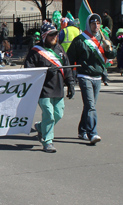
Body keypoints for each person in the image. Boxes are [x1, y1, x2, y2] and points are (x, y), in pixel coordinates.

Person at [24, 23, 75, 152]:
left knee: (58, 114)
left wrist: (70, 84)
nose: (54, 36)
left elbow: (67, 67)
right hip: (42, 89)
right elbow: (29, 70)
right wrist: (46, 71)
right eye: (51, 34)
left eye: (55, 34)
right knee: (49, 114)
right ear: (44, 36)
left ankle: (41, 127)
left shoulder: (60, 50)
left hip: (58, 87)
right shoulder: (36, 51)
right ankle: (47, 141)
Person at [67, 13, 116, 145]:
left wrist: (109, 48)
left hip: (97, 76)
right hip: (84, 76)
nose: (96, 26)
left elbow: (111, 55)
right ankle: (92, 133)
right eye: (93, 23)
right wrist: (69, 79)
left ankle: (82, 130)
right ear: (89, 24)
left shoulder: (103, 38)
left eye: (98, 23)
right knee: (91, 106)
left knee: (90, 106)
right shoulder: (80, 40)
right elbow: (69, 59)